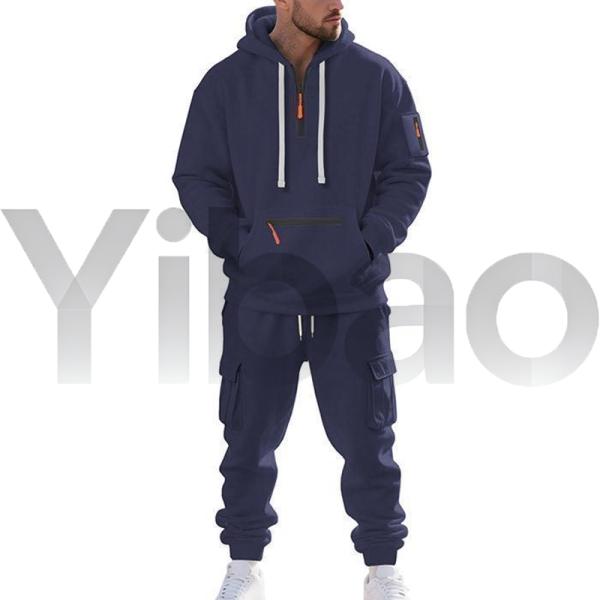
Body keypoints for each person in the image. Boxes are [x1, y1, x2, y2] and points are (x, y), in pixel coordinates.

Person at [172, 2, 431, 598]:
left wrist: (368, 242)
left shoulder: (376, 77)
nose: (339, 3)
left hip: (352, 298)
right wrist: (241, 243)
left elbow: (409, 170)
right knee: (247, 437)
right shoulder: (225, 83)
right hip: (261, 297)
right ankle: (244, 566)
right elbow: (196, 175)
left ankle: (383, 570)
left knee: (369, 438)